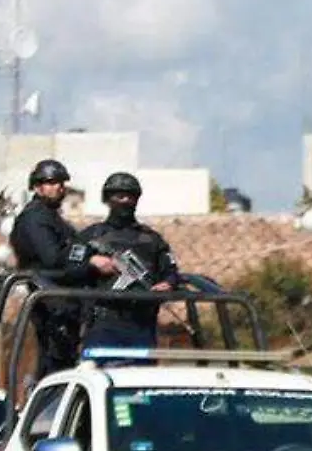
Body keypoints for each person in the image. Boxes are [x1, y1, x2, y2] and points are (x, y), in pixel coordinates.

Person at [9, 158, 118, 378]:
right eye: (50, 182)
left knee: (64, 361)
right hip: (51, 299)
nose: (58, 187)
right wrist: (90, 261)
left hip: (63, 300)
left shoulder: (51, 218)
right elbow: (52, 258)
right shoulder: (34, 218)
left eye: (60, 182)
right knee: (54, 365)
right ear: (37, 187)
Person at [72, 171, 183, 353]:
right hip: (103, 322)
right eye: (119, 196)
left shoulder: (152, 240)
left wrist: (167, 284)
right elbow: (70, 269)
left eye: (130, 197)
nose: (125, 201)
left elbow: (170, 271)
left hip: (141, 324)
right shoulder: (91, 236)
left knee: (139, 378)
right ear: (108, 199)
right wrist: (92, 262)